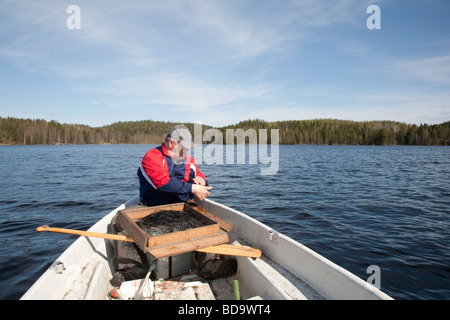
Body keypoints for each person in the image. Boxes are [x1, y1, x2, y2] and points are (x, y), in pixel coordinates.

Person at [137, 124, 212, 206]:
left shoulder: (189, 160)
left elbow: (203, 178)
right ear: (171, 143)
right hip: (154, 206)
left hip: (184, 205)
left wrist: (202, 181)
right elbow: (163, 183)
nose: (187, 150)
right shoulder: (152, 156)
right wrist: (192, 188)